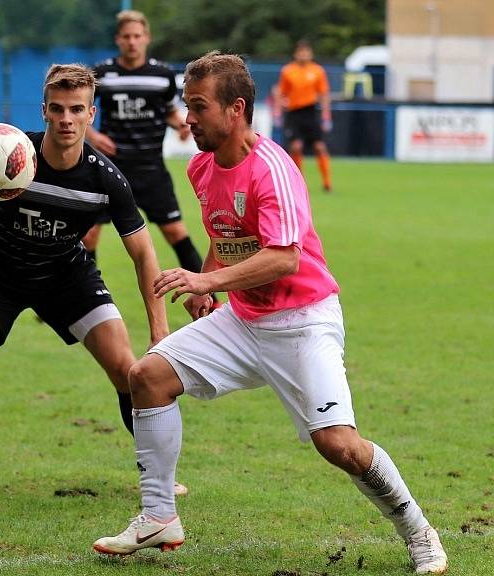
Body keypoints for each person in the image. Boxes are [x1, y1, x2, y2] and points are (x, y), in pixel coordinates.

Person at [93, 52, 448, 575]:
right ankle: (159, 515)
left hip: (304, 321)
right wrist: (208, 286)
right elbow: (230, 236)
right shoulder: (201, 165)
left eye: (198, 107)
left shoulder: (273, 170)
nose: (188, 118)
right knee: (146, 376)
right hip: (243, 320)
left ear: (236, 109)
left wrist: (205, 279)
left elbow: (285, 257)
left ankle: (418, 530)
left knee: (338, 445)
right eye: (187, 106)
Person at [0, 63, 170, 480]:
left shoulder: (106, 179)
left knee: (127, 372)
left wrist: (159, 330)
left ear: (91, 114)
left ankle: (155, 470)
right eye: (57, 109)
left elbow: (144, 255)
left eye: (76, 110)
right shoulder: (15, 154)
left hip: (66, 277)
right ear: (44, 110)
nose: (66, 119)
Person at [83, 10, 210, 302]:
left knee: (175, 232)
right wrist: (93, 136)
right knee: (88, 235)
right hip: (111, 170)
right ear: (118, 39)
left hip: (151, 169)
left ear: (146, 38)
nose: (132, 42)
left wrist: (179, 124)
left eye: (137, 36)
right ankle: (84, 297)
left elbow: (166, 110)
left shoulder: (162, 76)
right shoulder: (102, 74)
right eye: (126, 36)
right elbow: (81, 111)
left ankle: (209, 293)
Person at [273, 40, 333, 192]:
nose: (303, 55)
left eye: (306, 52)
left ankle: (327, 182)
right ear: (296, 54)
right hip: (294, 113)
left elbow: (324, 94)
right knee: (296, 147)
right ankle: (298, 182)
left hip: (310, 112)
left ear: (310, 54)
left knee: (319, 147)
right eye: (301, 52)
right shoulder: (288, 71)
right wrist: (278, 111)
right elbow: (280, 92)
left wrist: (326, 115)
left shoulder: (318, 71)